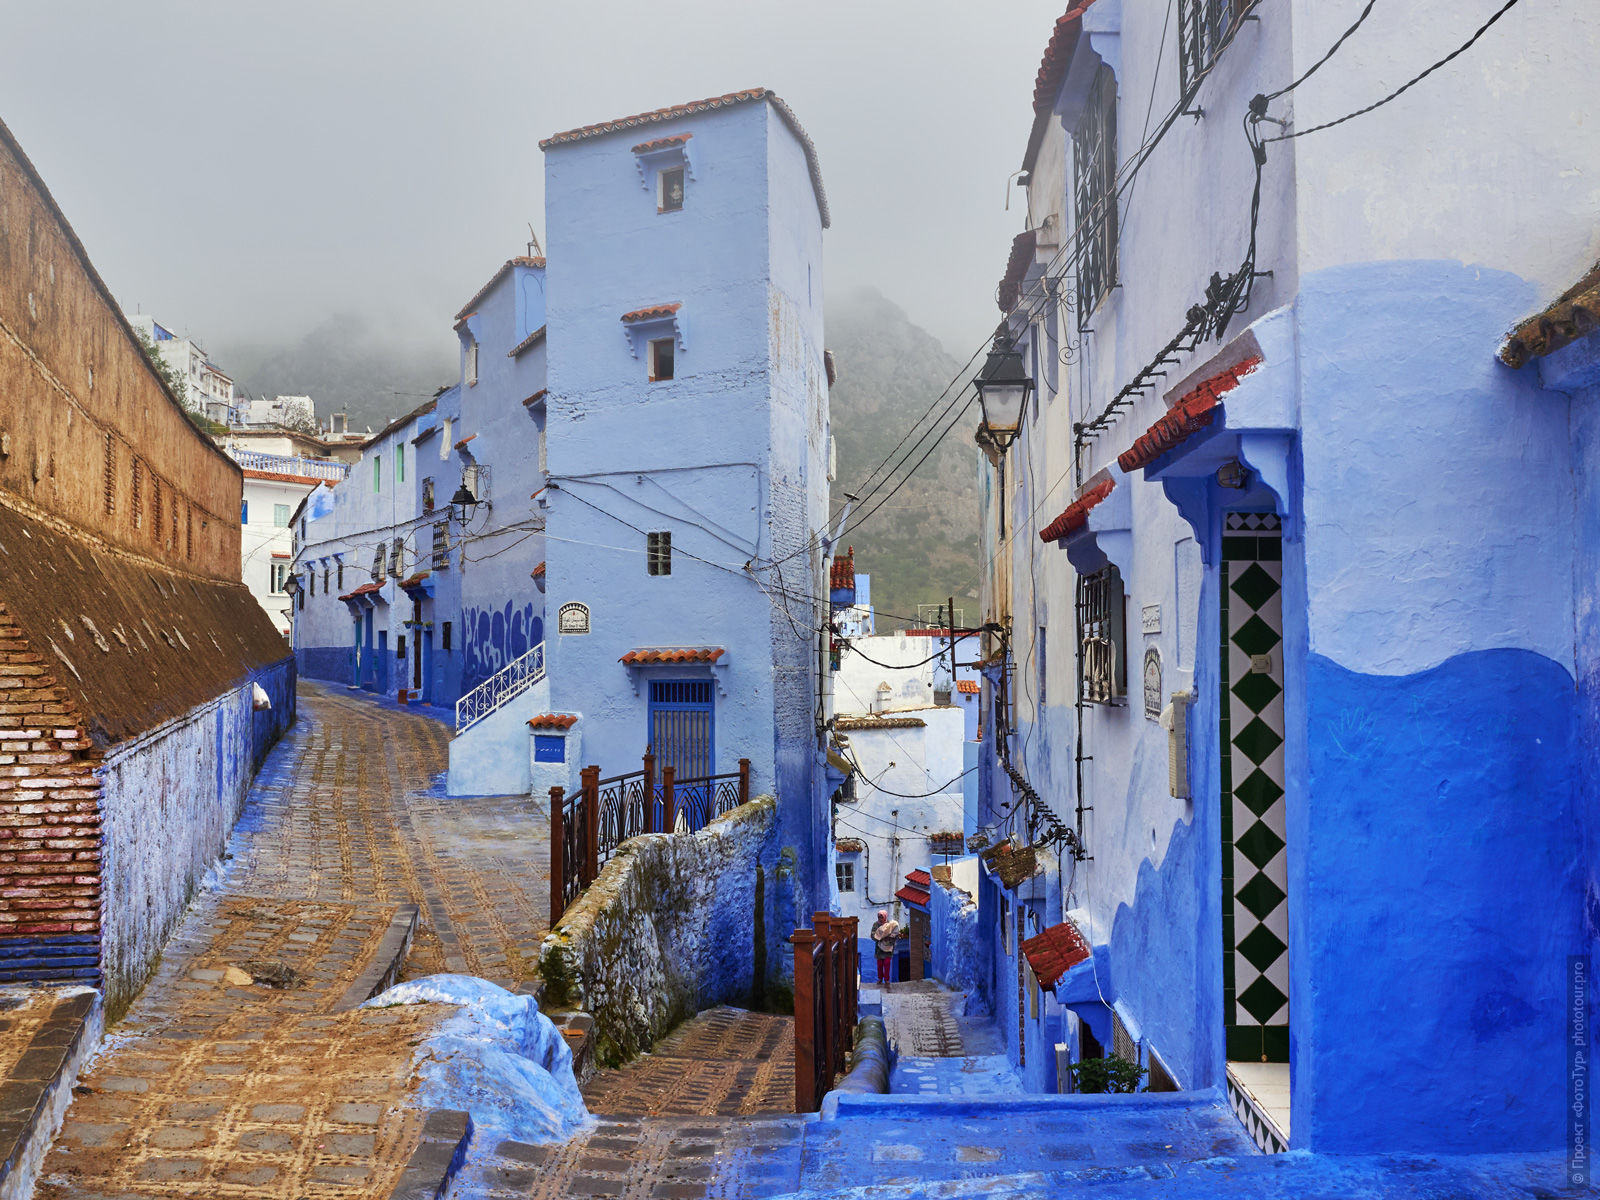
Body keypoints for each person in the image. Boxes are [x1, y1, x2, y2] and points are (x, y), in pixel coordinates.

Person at [870, 909, 900, 989]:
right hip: (879, 948)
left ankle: (887, 980)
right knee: (880, 964)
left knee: (887, 963)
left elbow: (895, 934)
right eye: (879, 917)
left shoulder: (890, 925)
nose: (880, 919)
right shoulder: (876, 925)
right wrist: (879, 937)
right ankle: (880, 978)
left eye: (881, 917)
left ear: (885, 917)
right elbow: (873, 935)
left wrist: (889, 937)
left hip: (888, 947)